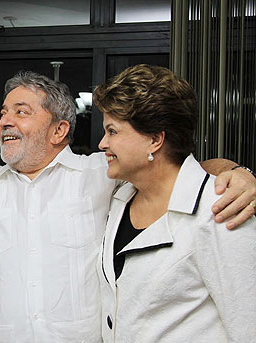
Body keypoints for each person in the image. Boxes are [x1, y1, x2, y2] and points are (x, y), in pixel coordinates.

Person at [0, 69, 256, 343]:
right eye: (3, 112)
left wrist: (236, 171)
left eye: (21, 111)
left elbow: (168, 166)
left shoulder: (102, 174)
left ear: (60, 129)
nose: (5, 120)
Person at [93, 64, 256, 342]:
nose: (101, 143)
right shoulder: (120, 197)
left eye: (113, 131)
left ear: (155, 139)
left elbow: (248, 325)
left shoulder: (221, 210)